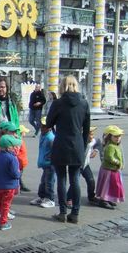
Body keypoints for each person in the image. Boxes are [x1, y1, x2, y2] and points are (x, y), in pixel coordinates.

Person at [46, 75, 90, 224]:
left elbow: (48, 122)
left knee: (61, 179)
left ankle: (63, 212)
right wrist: (82, 147)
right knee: (75, 180)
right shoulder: (84, 104)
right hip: (77, 145)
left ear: (62, 86)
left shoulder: (58, 103)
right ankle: (75, 213)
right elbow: (87, 129)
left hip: (61, 145)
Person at [70, 126, 102, 207]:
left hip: (85, 165)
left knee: (91, 181)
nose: (92, 136)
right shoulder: (79, 142)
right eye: (90, 135)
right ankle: (68, 198)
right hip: (77, 165)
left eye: (92, 134)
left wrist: (95, 150)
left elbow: (98, 142)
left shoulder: (93, 141)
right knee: (75, 183)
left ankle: (91, 197)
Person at [96, 125, 125, 209]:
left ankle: (107, 198)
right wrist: (117, 162)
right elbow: (109, 157)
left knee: (112, 185)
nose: (118, 138)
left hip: (113, 169)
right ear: (109, 137)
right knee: (107, 184)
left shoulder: (115, 145)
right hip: (109, 170)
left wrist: (121, 164)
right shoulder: (110, 146)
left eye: (119, 136)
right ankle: (103, 200)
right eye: (115, 136)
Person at [30, 117, 56, 209]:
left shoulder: (51, 137)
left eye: (44, 126)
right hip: (45, 163)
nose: (42, 127)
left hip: (50, 164)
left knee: (49, 182)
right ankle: (42, 197)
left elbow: (55, 151)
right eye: (42, 125)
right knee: (43, 182)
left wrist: (51, 158)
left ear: (49, 127)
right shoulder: (43, 135)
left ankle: (50, 199)